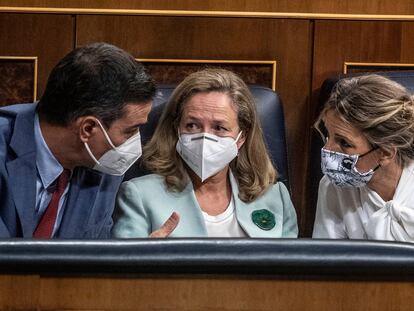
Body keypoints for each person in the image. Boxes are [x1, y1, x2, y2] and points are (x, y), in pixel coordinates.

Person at [112, 68, 298, 238]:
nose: (204, 137)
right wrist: (146, 260)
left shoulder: (276, 197)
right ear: (177, 129)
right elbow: (122, 271)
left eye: (219, 127)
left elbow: (292, 270)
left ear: (242, 137)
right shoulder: (139, 195)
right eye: (192, 125)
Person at [0, 42, 156, 238]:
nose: (134, 142)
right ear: (88, 128)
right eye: (130, 131)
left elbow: (95, 255)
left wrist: (136, 262)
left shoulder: (104, 163)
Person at [312, 74, 414, 242]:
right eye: (327, 136)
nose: (327, 149)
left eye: (344, 143)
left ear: (386, 153)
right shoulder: (333, 186)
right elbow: (327, 261)